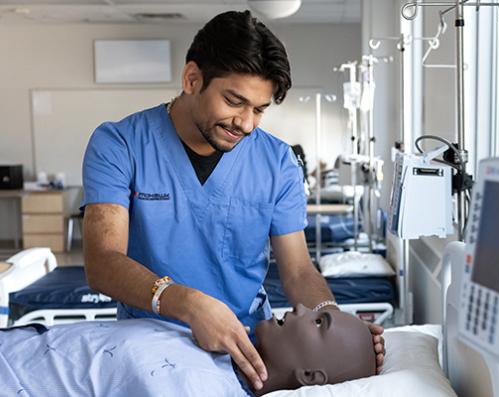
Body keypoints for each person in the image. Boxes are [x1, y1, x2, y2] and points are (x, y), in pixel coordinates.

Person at [81, 10, 384, 393]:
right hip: (150, 348)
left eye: (259, 109)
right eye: (234, 101)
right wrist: (187, 304)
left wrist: (333, 324)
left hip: (251, 350)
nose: (246, 123)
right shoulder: (120, 145)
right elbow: (102, 262)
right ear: (192, 79)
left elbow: (298, 272)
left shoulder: (276, 162)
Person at [0, 306, 376, 396]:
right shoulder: (217, 348)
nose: (299, 309)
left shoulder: (202, 388)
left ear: (310, 377)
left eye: (317, 322)